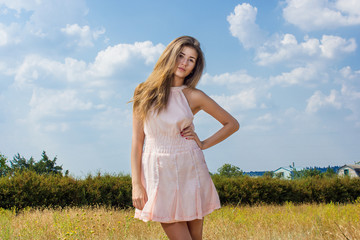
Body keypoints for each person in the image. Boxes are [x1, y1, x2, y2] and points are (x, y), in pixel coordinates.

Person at [130, 36, 239, 240]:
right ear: (169, 56)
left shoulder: (193, 95)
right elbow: (137, 143)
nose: (184, 63)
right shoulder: (143, 92)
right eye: (181, 56)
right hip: (158, 172)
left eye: (191, 60)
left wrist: (203, 143)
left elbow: (232, 124)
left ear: (194, 67)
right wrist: (136, 184)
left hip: (190, 169)